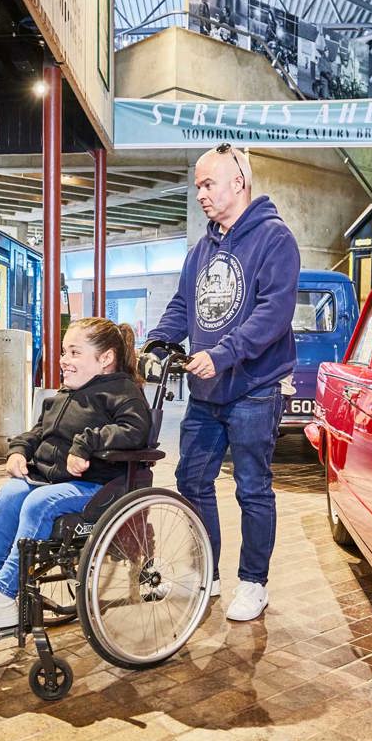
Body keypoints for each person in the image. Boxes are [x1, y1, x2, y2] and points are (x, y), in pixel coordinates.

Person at [149, 143, 300, 623]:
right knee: (191, 479)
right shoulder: (201, 249)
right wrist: (157, 342)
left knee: (253, 488)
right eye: (197, 186)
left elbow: (273, 314)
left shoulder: (275, 239)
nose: (200, 195)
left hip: (254, 389)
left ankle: (253, 583)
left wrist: (224, 353)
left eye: (207, 184)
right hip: (207, 393)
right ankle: (208, 572)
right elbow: (182, 307)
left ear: (238, 182)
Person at [0, 318, 151, 635]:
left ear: (105, 358)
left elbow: (136, 430)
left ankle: (2, 597)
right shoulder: (65, 395)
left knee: (38, 502)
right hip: (55, 480)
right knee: (11, 493)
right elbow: (38, 431)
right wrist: (18, 451)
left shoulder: (123, 393)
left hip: (99, 487)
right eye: (65, 352)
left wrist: (85, 444)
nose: (64, 360)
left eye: (75, 352)